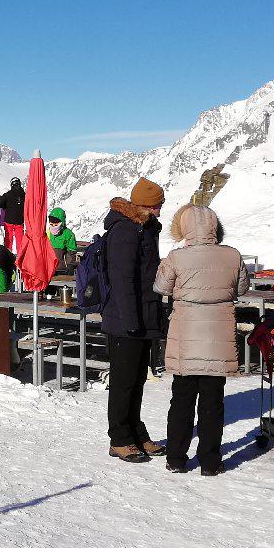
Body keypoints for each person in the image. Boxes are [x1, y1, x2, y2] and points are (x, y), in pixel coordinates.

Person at [154, 205, 250, 476]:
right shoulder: (232, 255)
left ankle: (176, 458)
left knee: (181, 400)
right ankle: (210, 461)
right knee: (213, 402)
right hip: (218, 337)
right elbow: (242, 287)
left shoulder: (177, 256)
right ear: (214, 227)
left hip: (186, 336)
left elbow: (161, 287)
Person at [101, 177, 167, 462]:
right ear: (145, 205)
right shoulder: (125, 231)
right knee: (123, 380)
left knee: (138, 378)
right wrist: (130, 320)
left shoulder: (145, 229)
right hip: (126, 317)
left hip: (143, 314)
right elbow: (122, 279)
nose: (160, 212)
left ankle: (135, 430)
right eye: (157, 206)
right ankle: (119, 438)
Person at [0, 178, 26, 254]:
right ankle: (20, 259)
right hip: (20, 222)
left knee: (8, 241)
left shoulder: (8, 195)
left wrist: (4, 204)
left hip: (9, 221)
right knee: (20, 241)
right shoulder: (24, 195)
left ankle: (8, 257)